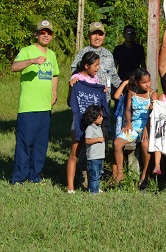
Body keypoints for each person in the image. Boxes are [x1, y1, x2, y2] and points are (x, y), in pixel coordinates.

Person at [10, 20, 59, 184]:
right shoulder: (27, 51)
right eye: (42, 32)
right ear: (36, 34)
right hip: (28, 107)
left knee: (40, 145)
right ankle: (18, 177)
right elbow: (14, 67)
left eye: (49, 33)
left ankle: (35, 176)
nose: (46, 35)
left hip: (45, 107)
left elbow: (55, 74)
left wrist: (54, 92)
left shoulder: (51, 54)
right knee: (25, 144)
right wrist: (32, 61)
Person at [66, 51, 104, 193]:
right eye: (95, 65)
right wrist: (71, 88)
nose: (97, 68)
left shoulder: (95, 79)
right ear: (86, 65)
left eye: (98, 65)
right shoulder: (76, 78)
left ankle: (92, 185)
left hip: (92, 124)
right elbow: (70, 102)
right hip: (78, 121)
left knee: (91, 155)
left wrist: (102, 91)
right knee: (74, 153)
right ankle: (70, 186)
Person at [113, 68, 157, 189]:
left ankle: (144, 175)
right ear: (137, 83)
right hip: (134, 124)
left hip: (148, 125)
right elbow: (128, 109)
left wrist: (147, 129)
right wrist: (128, 123)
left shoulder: (152, 93)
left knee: (145, 145)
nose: (147, 84)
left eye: (149, 81)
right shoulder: (132, 91)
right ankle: (120, 172)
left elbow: (153, 114)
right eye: (144, 82)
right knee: (117, 143)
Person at [71, 21, 122, 94]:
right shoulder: (82, 54)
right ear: (89, 35)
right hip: (88, 97)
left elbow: (114, 76)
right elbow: (74, 74)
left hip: (105, 99)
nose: (97, 37)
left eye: (100, 34)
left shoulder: (108, 54)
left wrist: (123, 87)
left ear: (104, 36)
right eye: (94, 34)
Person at [81, 105, 105, 194]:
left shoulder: (98, 128)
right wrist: (98, 139)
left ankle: (96, 189)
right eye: (100, 117)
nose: (102, 118)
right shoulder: (90, 128)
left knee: (98, 174)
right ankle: (93, 192)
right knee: (94, 175)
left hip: (99, 156)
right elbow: (87, 140)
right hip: (93, 157)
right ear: (93, 118)